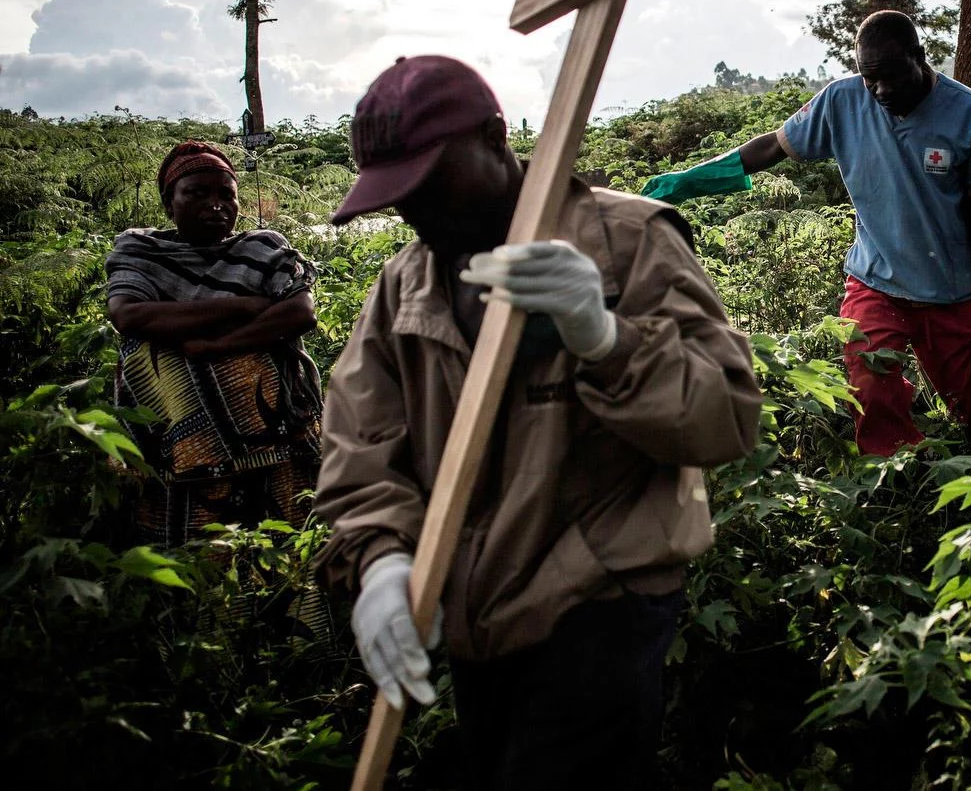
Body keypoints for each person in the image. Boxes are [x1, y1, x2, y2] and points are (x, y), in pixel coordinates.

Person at [314, 56, 761, 790]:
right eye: (396, 196)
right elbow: (359, 444)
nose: (416, 211)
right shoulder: (405, 284)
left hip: (601, 599)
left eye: (430, 180)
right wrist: (381, 561)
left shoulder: (628, 240)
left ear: (496, 138)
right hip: (474, 614)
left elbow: (727, 419)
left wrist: (607, 338)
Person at [642, 10, 971, 457]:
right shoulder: (842, 101)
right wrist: (695, 178)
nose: (881, 91)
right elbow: (774, 145)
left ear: (920, 56)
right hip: (877, 282)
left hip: (950, 291)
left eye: (892, 77)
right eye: (870, 79)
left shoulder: (969, 111)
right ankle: (896, 478)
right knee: (871, 390)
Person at [106, 140, 322, 545]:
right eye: (198, 193)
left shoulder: (262, 246)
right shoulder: (141, 249)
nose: (216, 205)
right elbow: (129, 315)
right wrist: (246, 307)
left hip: (272, 434)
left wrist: (216, 347)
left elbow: (299, 313)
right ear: (170, 203)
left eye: (227, 195)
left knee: (283, 539)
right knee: (193, 549)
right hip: (174, 436)